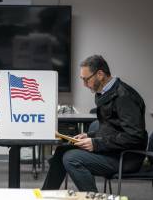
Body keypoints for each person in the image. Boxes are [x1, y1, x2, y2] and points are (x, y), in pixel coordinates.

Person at [42, 55, 148, 192]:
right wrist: (89, 135)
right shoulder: (106, 93)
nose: (84, 84)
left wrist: (96, 143)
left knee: (72, 158)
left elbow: (134, 136)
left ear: (100, 74)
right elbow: (112, 128)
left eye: (86, 79)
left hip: (126, 158)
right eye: (82, 80)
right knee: (62, 151)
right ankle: (45, 194)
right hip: (112, 151)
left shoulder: (124, 97)